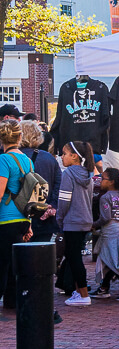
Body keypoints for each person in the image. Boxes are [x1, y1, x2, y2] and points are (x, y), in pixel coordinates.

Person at [56, 140, 95, 306]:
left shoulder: (68, 174)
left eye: (64, 154)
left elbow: (64, 200)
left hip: (72, 221)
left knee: (74, 258)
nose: (61, 157)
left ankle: (84, 294)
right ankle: (80, 292)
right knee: (76, 257)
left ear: (74, 156)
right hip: (85, 220)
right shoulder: (88, 175)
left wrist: (59, 218)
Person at [89, 167, 119, 301]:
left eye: (103, 179)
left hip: (110, 231)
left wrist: (93, 224)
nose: (100, 181)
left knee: (112, 260)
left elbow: (105, 217)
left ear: (111, 182)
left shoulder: (105, 197)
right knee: (109, 259)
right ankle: (104, 288)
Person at [0, 119, 33, 310]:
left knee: (2, 264)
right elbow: (31, 196)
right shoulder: (28, 161)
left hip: (5, 218)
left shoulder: (3, 160)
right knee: (14, 265)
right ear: (20, 137)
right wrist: (29, 224)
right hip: (22, 217)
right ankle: (12, 302)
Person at [19, 120, 61, 243]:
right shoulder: (48, 158)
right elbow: (59, 184)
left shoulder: (10, 157)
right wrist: (52, 206)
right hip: (44, 214)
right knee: (41, 256)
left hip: (19, 215)